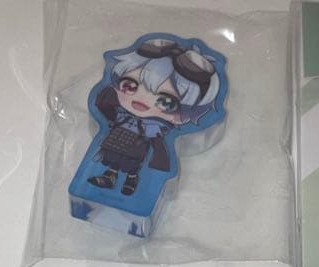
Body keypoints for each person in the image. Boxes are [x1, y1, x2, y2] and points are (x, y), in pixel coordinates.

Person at [86, 38, 222, 196]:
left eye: (165, 101)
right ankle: (110, 176)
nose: (142, 99)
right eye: (129, 85)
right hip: (117, 138)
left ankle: (132, 179)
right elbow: (105, 110)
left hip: (136, 146)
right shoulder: (120, 113)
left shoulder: (154, 126)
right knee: (113, 158)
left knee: (132, 163)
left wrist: (160, 163)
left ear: (182, 114)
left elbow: (159, 146)